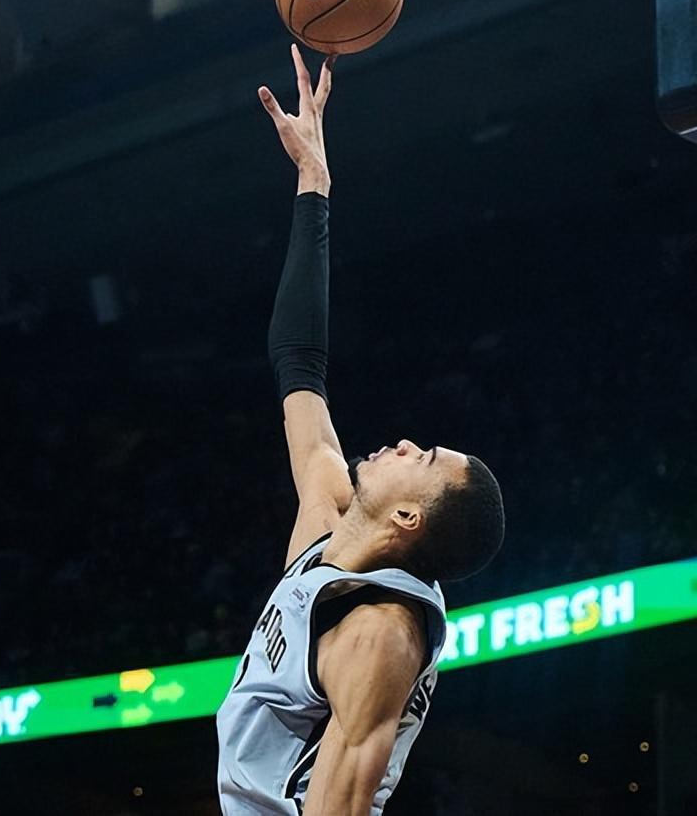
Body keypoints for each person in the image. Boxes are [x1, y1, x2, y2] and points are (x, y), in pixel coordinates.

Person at [216, 44, 506, 815]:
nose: (406, 442)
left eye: (425, 457)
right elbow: (299, 364)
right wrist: (314, 185)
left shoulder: (380, 632)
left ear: (409, 516)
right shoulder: (328, 531)